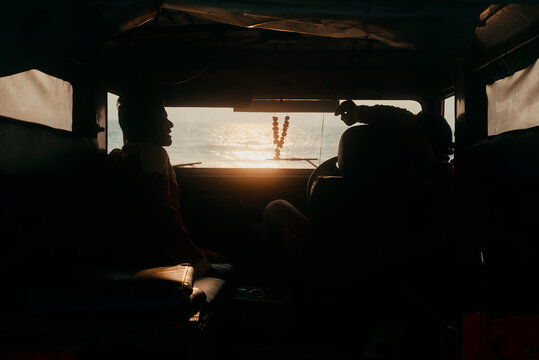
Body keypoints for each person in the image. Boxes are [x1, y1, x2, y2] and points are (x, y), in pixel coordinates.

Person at [263, 100, 454, 292]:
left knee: (275, 207)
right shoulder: (443, 187)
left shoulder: (331, 190)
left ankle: (280, 291)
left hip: (328, 265)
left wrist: (357, 114)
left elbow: (405, 121)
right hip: (402, 279)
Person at [107, 89, 226, 277]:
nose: (170, 124)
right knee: (227, 269)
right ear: (145, 124)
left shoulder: (129, 154)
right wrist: (198, 261)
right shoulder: (153, 154)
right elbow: (163, 217)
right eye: (162, 118)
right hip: (154, 258)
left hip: (133, 255)